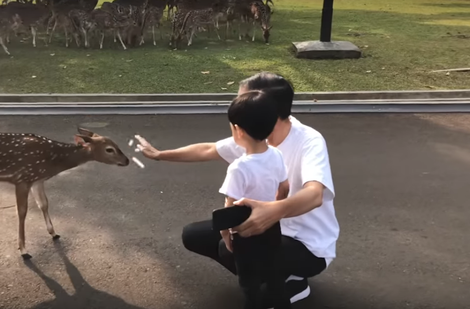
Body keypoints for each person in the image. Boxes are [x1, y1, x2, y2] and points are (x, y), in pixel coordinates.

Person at [134, 72, 340, 305]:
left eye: (245, 101)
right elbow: (209, 149)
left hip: (307, 245)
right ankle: (269, 273)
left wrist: (273, 211)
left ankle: (292, 280)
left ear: (267, 110)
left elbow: (314, 195)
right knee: (194, 235)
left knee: (229, 247)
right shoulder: (254, 136)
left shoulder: (309, 141)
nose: (238, 108)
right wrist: (160, 155)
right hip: (270, 231)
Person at [217, 89, 291, 309]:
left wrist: (226, 235)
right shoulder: (276, 154)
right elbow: (284, 187)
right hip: (270, 225)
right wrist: (275, 211)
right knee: (273, 271)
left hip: (246, 231)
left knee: (249, 280)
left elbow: (229, 207)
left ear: (238, 131)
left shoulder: (239, 168)